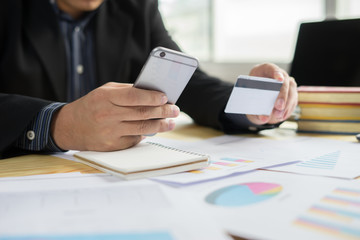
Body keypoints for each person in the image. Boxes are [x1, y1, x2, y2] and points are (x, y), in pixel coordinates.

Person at [0, 0, 297, 159]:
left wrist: (249, 102)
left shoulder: (136, 7)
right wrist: (59, 124)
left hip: (115, 177)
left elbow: (189, 83)